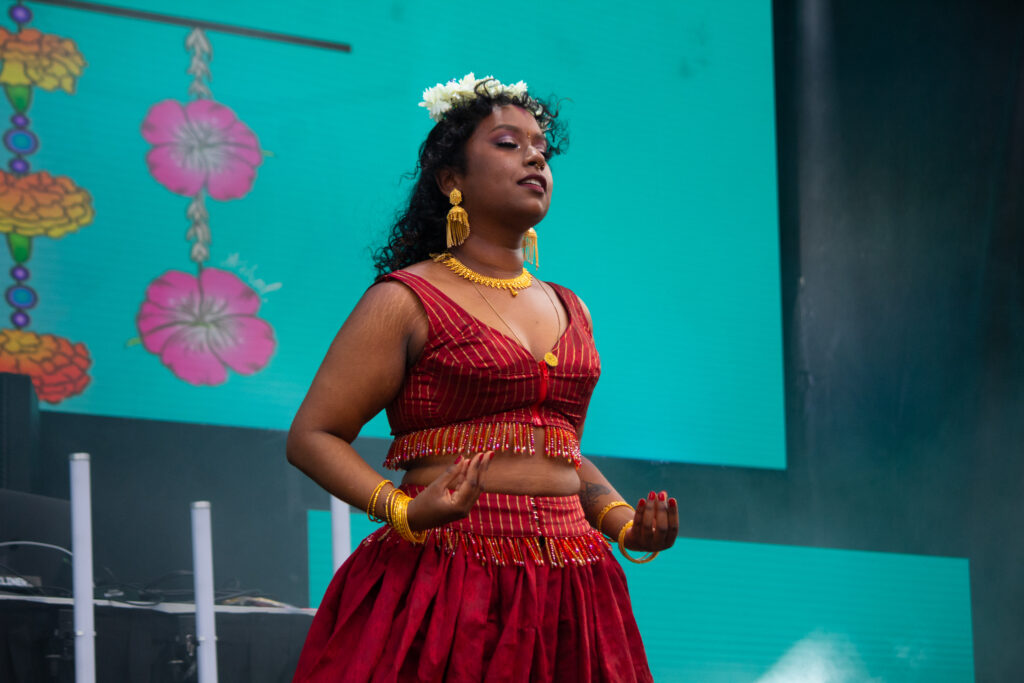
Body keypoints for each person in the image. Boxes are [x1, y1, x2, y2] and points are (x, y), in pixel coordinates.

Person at [287, 74, 678, 682]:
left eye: (542, 150)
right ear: (452, 181)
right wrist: (403, 512)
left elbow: (560, 453)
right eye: (508, 143)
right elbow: (312, 435)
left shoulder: (572, 307)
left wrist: (627, 523)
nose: (534, 158)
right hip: (446, 583)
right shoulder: (404, 299)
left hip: (572, 589)